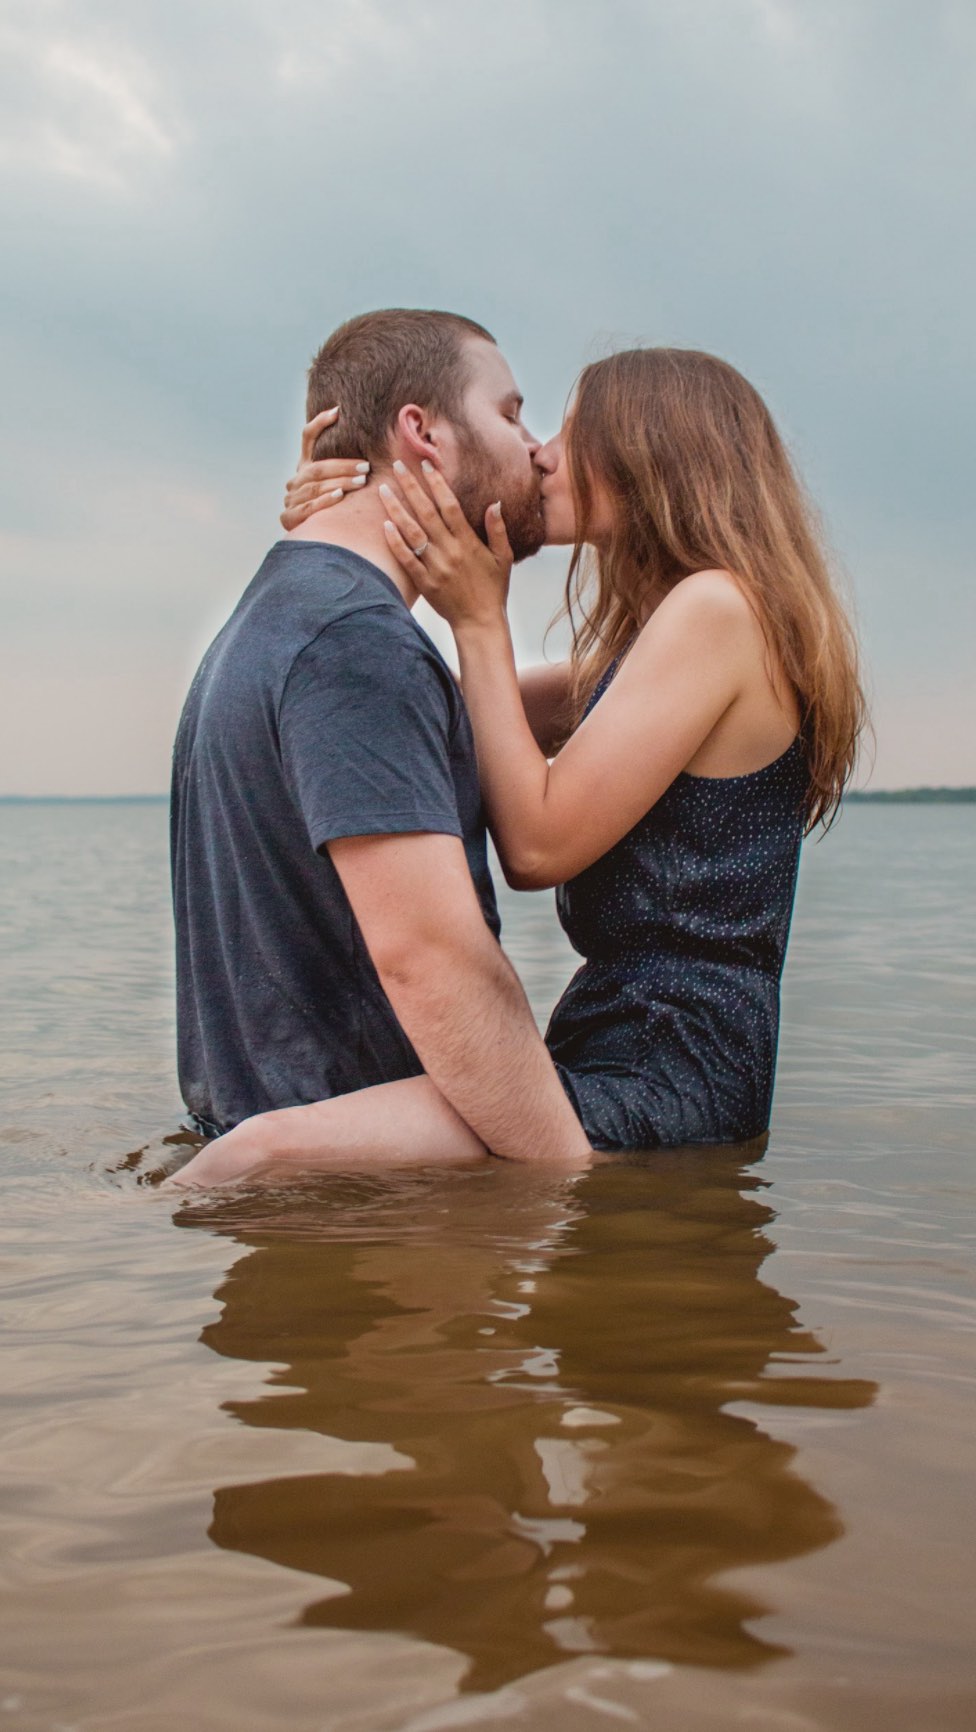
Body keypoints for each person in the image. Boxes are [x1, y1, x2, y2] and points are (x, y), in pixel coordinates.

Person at [173, 344, 864, 1187]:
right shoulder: (662, 643)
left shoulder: (718, 612)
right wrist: (348, 524)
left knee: (260, 1154)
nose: (541, 453)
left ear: (649, 452)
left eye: (572, 434)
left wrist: (479, 619)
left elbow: (535, 848)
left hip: (670, 1067)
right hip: (612, 1043)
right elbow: (409, 714)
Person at [169, 308, 591, 1187]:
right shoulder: (353, 643)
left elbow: (484, 723)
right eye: (512, 413)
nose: (535, 446)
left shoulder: (281, 616)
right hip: (364, 1206)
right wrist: (572, 1190)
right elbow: (434, 962)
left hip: (306, 1191)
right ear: (421, 431)